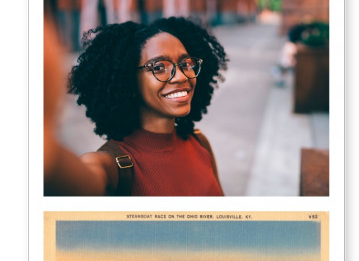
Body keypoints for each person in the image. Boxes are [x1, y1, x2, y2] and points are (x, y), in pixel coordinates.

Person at [46, 16, 228, 196]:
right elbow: (71, 179)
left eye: (186, 63)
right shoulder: (112, 166)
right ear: (130, 81)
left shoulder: (200, 143)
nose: (181, 76)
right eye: (159, 67)